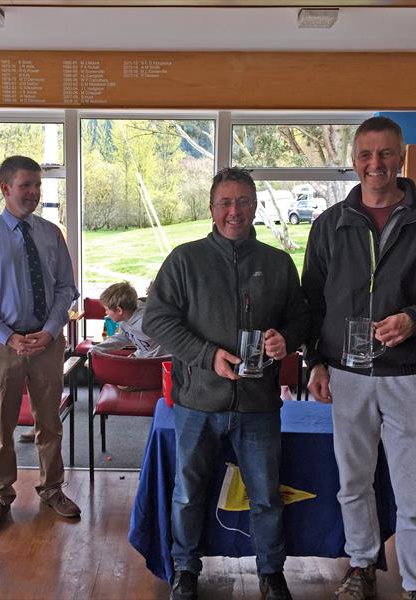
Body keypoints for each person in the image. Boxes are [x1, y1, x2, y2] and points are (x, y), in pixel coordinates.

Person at [302, 116, 416, 600]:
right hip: (347, 374)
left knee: (414, 489)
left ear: (401, 158)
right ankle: (362, 567)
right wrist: (315, 362)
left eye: (385, 153)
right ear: (353, 161)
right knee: (353, 482)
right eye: (366, 154)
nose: (375, 164)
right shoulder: (329, 225)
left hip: (411, 373)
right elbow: (312, 303)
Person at [143, 167, 309, 600]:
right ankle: (185, 569)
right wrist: (205, 356)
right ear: (212, 208)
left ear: (255, 206)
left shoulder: (277, 263)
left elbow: (300, 318)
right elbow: (159, 319)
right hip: (198, 401)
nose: (234, 211)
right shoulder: (185, 259)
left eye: (243, 202)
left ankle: (271, 573)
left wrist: (285, 339)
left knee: (267, 496)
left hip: (258, 404)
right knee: (187, 493)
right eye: (225, 203)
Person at [0, 155, 80, 529]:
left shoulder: (50, 234)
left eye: (37, 186)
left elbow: (66, 288)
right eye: (25, 185)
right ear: (5, 188)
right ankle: (0, 495)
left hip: (47, 342)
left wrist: (49, 329)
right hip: (2, 345)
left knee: (50, 422)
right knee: (1, 424)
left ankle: (52, 489)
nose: (33, 192)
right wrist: (7, 335)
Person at [92, 280, 165, 357]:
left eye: (107, 309)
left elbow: (162, 348)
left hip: (158, 363)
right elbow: (123, 337)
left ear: (119, 310)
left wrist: (139, 356)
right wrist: (95, 349)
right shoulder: (125, 317)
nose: (106, 313)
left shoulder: (146, 322)